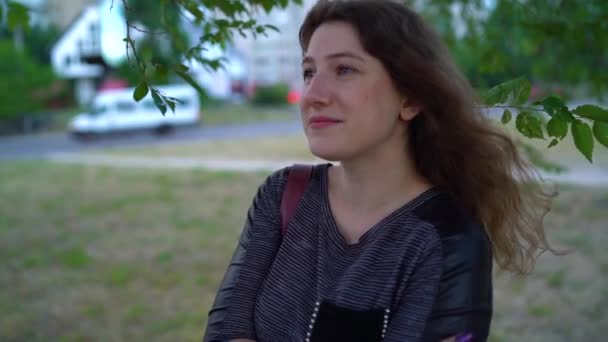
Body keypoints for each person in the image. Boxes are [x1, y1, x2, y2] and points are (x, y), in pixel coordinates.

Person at [203, 1, 557, 341]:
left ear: (410, 99)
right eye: (309, 72)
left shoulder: (448, 240)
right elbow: (225, 328)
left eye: (344, 69)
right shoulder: (284, 194)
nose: (313, 94)